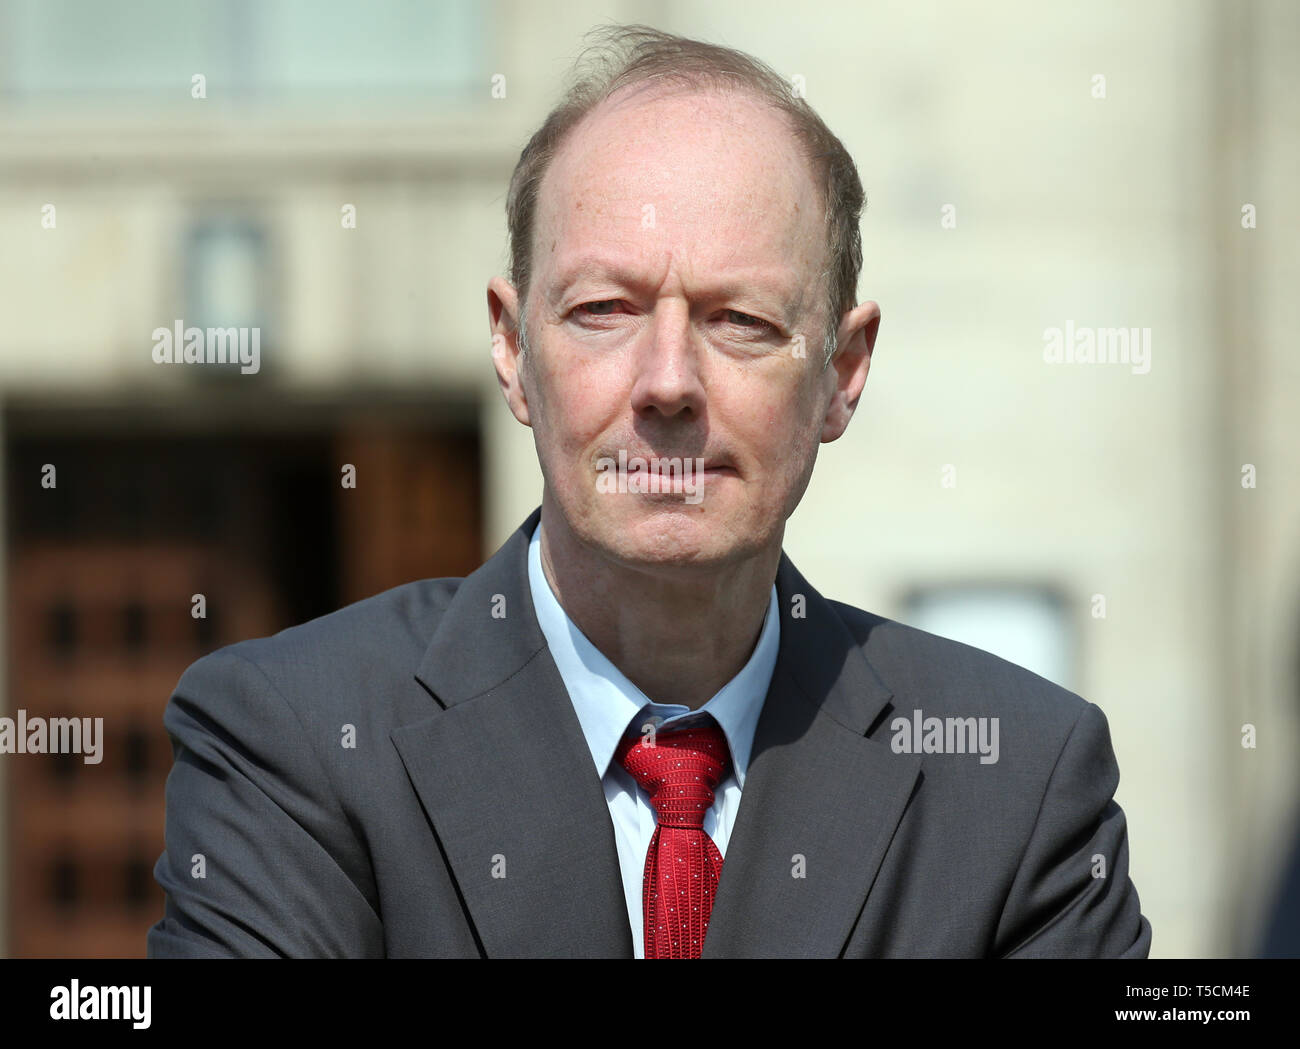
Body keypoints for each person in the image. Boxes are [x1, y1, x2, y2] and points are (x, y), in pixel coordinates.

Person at [148, 24, 1151, 958]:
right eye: (602, 310)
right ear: (511, 346)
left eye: (739, 321)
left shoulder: (1015, 786)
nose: (667, 380)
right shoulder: (295, 744)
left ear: (842, 371)